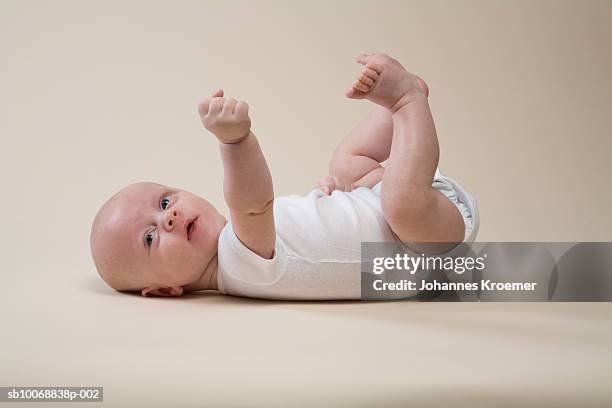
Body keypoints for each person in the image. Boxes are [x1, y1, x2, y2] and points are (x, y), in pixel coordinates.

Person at [90, 53, 477, 300]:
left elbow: (285, 221)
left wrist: (335, 200)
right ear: (163, 290)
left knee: (345, 165)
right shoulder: (236, 264)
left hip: (392, 209)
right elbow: (253, 203)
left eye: (164, 201)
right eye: (151, 237)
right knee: (401, 202)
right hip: (425, 244)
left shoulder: (240, 246)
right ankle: (408, 103)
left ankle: (400, 114)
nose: (169, 217)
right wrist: (236, 141)